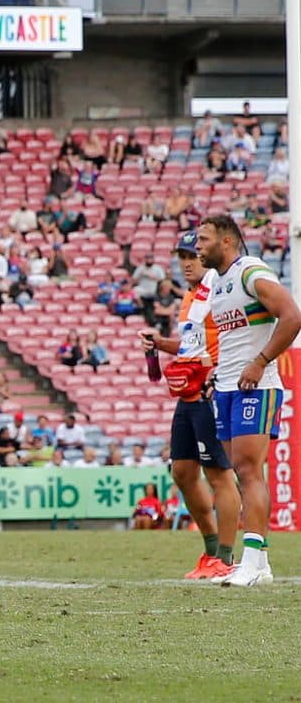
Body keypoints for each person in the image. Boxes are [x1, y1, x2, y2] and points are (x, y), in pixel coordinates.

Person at [196, 215, 301, 586]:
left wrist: (259, 363)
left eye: (204, 239)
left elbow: (291, 316)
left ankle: (251, 563)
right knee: (241, 473)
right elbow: (235, 337)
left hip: (255, 386)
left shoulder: (249, 272)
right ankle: (261, 564)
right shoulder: (219, 282)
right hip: (227, 386)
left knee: (248, 470)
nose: (197, 245)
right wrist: (218, 372)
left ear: (227, 241)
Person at [139, 230, 238, 579]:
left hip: (211, 391)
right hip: (188, 395)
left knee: (219, 476)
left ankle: (225, 558)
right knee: (181, 472)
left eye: (192, 255)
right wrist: (159, 343)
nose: (186, 263)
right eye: (182, 257)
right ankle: (210, 551)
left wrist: (221, 373)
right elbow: (189, 346)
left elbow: (231, 335)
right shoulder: (190, 296)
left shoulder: (220, 285)